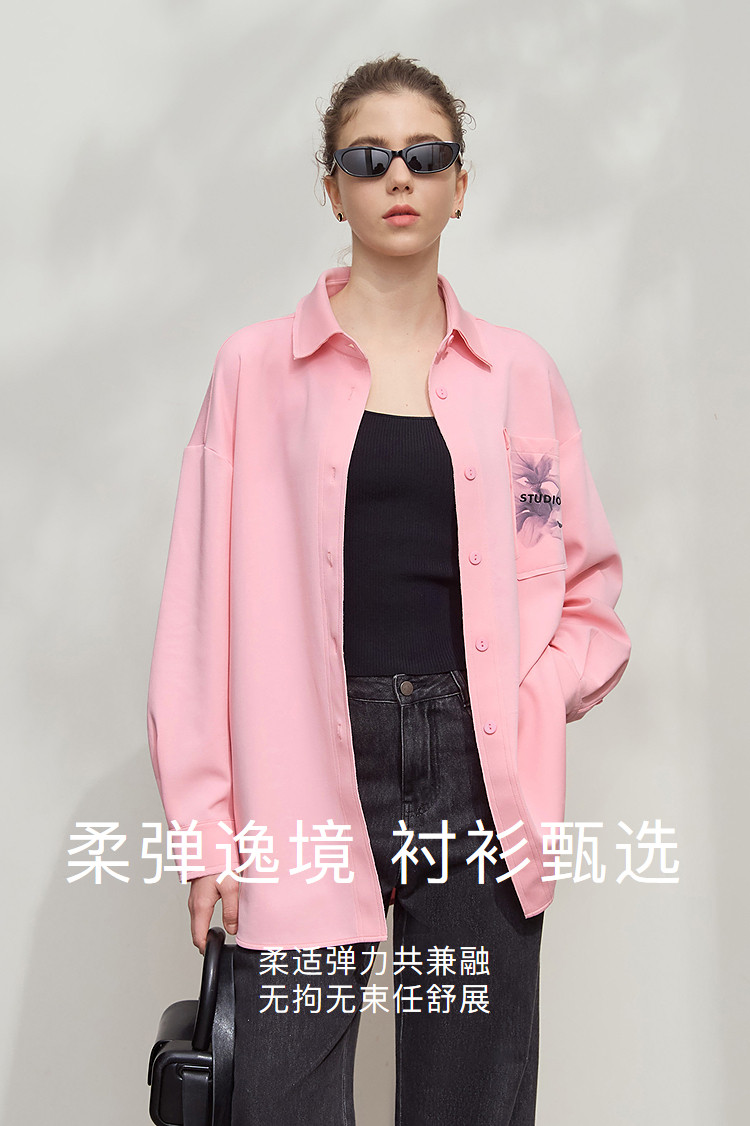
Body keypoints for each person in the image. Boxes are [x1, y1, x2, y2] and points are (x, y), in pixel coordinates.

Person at [146, 54, 630, 1126]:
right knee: (281, 1095)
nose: (398, 176)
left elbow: (582, 586)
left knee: (472, 1098)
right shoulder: (254, 372)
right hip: (298, 763)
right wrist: (207, 831)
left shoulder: (520, 379)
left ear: (462, 184)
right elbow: (195, 619)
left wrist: (535, 696)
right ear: (333, 189)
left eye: (427, 155)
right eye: (368, 158)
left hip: (476, 768)